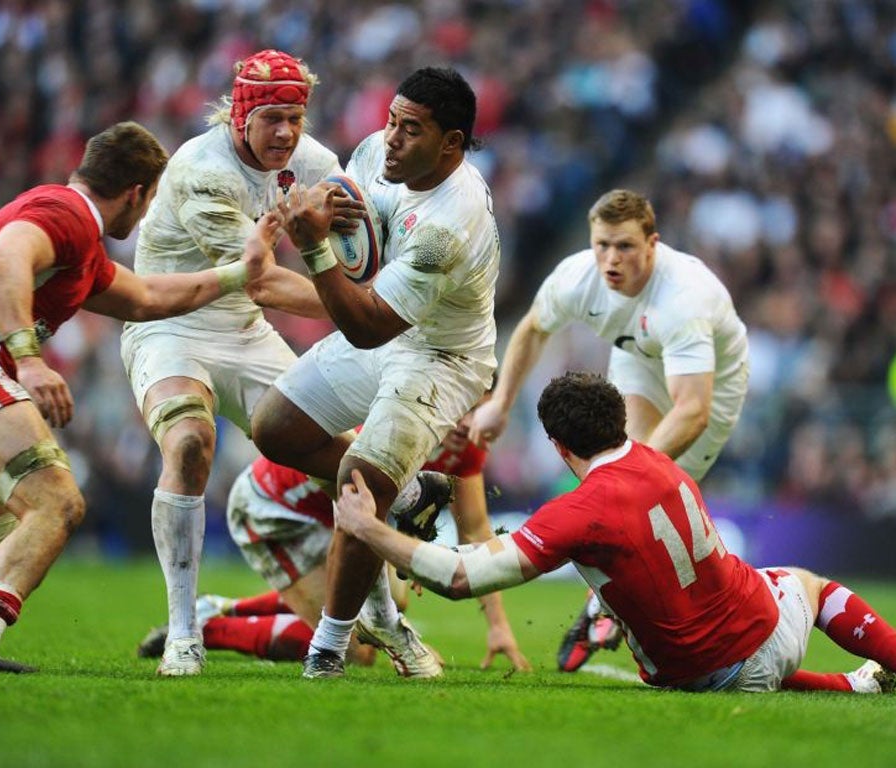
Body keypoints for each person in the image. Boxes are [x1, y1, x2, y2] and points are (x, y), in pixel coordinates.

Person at [0, 121, 280, 672]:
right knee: (58, 503)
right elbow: (2, 261)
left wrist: (242, 273)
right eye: (150, 199)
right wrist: (30, 358)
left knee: (1, 555)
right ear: (137, 193)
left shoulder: (77, 242)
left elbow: (145, 297)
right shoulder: (66, 214)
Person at [119, 50, 444, 677]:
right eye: (272, 119)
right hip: (172, 327)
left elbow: (358, 247)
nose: (286, 134)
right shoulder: (198, 170)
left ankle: (383, 616)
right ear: (241, 116)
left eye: (295, 117)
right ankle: (186, 632)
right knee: (189, 441)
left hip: (245, 332)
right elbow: (260, 280)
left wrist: (378, 279)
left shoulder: (315, 164)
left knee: (352, 462)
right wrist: (367, 309)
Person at [336, 371, 896, 694]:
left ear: (558, 446)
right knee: (810, 585)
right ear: (619, 421)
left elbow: (463, 577)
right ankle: (870, 676)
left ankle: (853, 686)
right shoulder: (660, 461)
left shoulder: (579, 511)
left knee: (715, 643)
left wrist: (370, 529)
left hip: (700, 677)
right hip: (768, 633)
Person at [251, 66, 501, 679]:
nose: (389, 138)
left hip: (443, 357)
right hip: (392, 327)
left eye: (409, 130)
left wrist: (313, 248)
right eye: (391, 120)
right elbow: (352, 221)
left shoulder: (448, 225)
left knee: (361, 482)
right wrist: (324, 209)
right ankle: (408, 500)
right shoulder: (375, 151)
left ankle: (328, 652)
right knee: (275, 428)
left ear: (451, 143)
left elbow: (365, 327)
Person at [468, 188, 749, 671]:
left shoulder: (683, 298)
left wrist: (630, 474)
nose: (610, 259)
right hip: (639, 358)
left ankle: (605, 610)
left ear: (652, 244)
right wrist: (499, 403)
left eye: (624, 246)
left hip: (709, 389)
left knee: (646, 495)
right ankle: (609, 609)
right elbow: (533, 328)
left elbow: (693, 408)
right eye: (602, 245)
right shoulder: (579, 277)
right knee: (619, 489)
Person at [136, 407, 530, 672]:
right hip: (275, 511)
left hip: (338, 518)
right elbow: (357, 507)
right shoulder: (397, 428)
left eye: (480, 408)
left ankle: (223, 609)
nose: (468, 423)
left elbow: (476, 528)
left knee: (391, 599)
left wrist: (498, 625)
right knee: (358, 647)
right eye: (464, 408)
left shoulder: (464, 448)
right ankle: (210, 629)